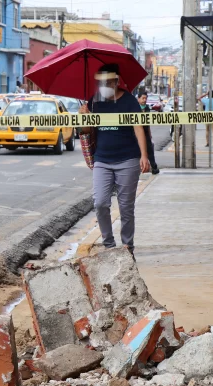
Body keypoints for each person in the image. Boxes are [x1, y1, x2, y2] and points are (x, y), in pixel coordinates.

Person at [79, 64, 150, 254]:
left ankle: (127, 247)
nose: (104, 85)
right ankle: (109, 245)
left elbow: (138, 127)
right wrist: (84, 117)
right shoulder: (94, 102)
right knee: (100, 203)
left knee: (126, 208)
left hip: (127, 160)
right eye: (101, 82)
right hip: (102, 160)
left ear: (117, 82)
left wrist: (144, 155)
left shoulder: (129, 101)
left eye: (108, 82)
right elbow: (87, 131)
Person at [137, 91, 160, 175]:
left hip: (146, 132)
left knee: (150, 150)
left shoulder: (147, 108)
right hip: (137, 133)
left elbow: (148, 122)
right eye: (142, 98)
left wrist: (149, 133)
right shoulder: (135, 108)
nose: (144, 100)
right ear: (138, 99)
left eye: (145, 98)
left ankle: (154, 167)